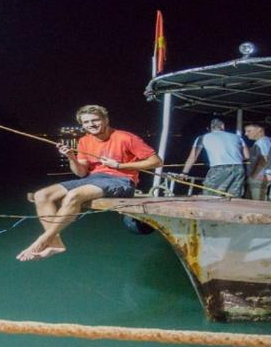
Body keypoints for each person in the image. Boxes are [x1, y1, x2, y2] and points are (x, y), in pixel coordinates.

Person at [16, 105, 162, 262]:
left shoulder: (126, 138)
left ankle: (43, 239)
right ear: (82, 124)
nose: (91, 124)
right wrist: (71, 157)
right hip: (92, 179)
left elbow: (156, 161)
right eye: (86, 122)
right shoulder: (84, 141)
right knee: (41, 195)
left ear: (106, 120)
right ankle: (56, 243)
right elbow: (81, 173)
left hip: (121, 180)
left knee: (74, 195)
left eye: (95, 120)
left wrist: (120, 166)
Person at [180, 118, 249, 197]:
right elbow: (247, 156)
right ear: (223, 126)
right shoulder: (237, 137)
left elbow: (192, 158)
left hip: (219, 168)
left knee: (210, 195)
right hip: (238, 168)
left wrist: (184, 172)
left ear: (210, 128)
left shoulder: (202, 138)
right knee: (233, 197)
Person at [244, 123, 271, 200]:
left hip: (259, 176)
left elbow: (264, 159)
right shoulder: (268, 140)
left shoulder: (262, 142)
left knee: (258, 201)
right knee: (252, 200)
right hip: (260, 175)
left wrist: (254, 175)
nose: (246, 134)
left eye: (249, 131)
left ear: (259, 130)